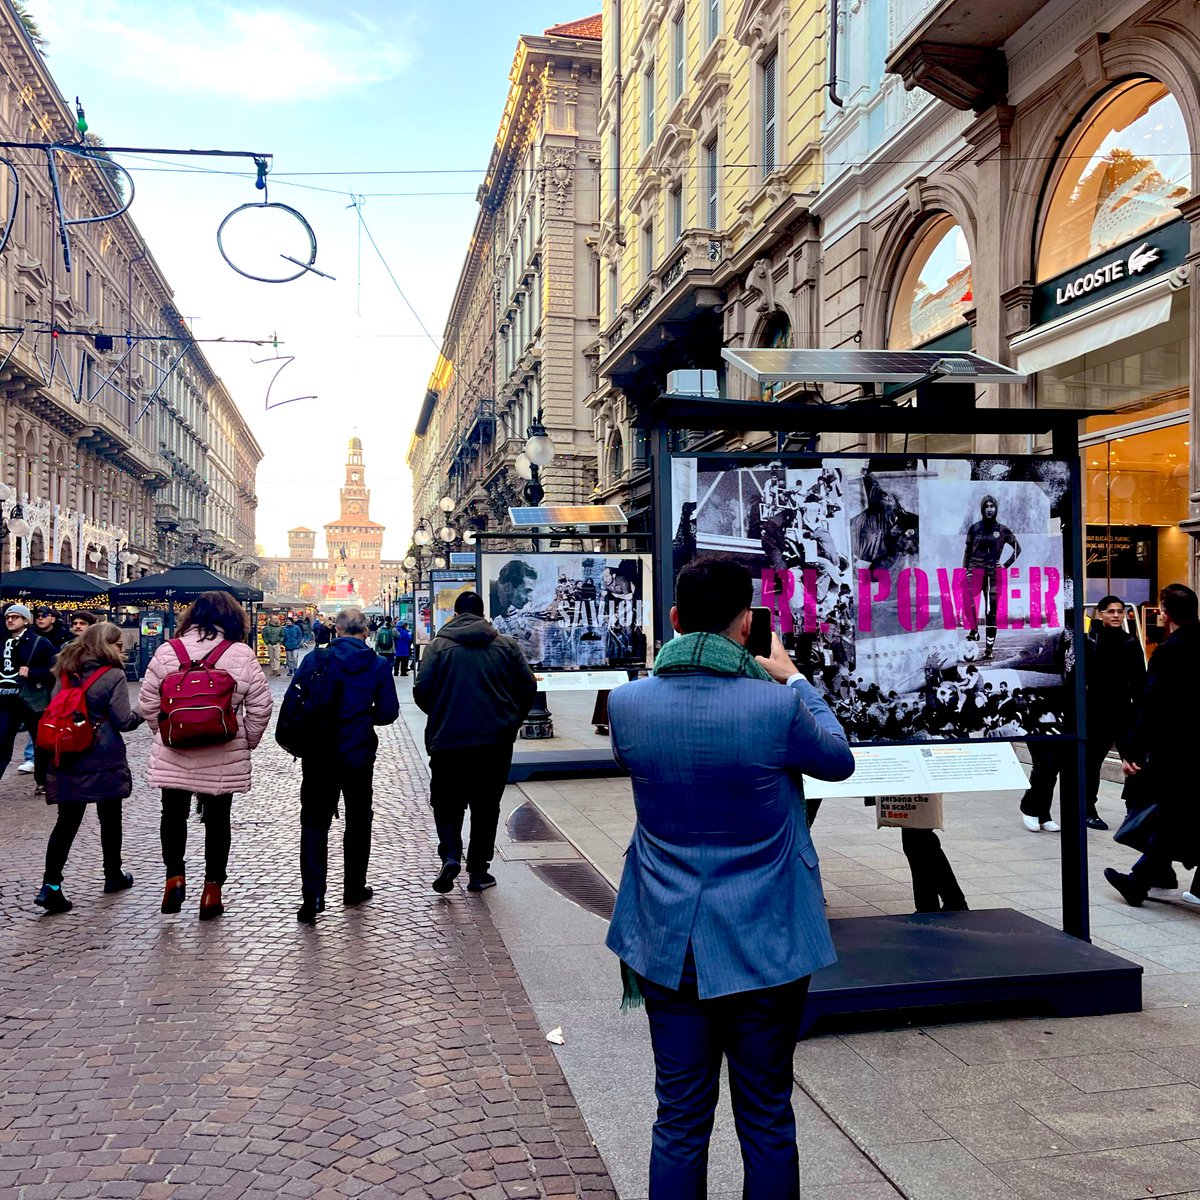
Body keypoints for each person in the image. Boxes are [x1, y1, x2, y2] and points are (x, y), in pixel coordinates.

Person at [605, 556, 854, 1197]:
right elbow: (837, 760)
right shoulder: (774, 707)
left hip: (668, 937)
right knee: (767, 1113)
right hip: (766, 936)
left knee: (680, 1118)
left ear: (675, 621)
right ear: (747, 625)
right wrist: (795, 678)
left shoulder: (629, 706)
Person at [139, 591, 273, 921]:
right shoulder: (241, 654)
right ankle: (212, 891)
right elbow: (260, 707)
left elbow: (147, 703)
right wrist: (245, 740)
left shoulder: (168, 651)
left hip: (175, 750)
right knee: (218, 821)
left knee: (172, 815)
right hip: (222, 750)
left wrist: (167, 733)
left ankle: (174, 878)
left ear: (191, 617)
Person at [413, 591, 536, 895]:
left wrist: (443, 712)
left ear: (454, 615)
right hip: (494, 741)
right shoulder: (506, 645)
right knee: (486, 806)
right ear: (483, 615)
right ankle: (479, 871)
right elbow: (528, 686)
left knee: (446, 802)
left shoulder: (438, 647)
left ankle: (451, 855)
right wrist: (511, 719)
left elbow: (421, 690)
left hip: (448, 741)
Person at [291, 607, 399, 924]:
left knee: (313, 822)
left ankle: (312, 895)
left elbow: (298, 702)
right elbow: (389, 712)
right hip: (357, 753)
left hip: (318, 754)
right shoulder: (377, 665)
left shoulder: (314, 659)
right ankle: (353, 886)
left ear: (337, 630)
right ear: (364, 631)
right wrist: (364, 718)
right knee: (358, 820)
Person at [34, 623, 145, 914]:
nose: (121, 648)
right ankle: (113, 874)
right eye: (118, 643)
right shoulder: (113, 675)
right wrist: (143, 712)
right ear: (108, 645)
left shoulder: (66, 670)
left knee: (66, 822)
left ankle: (51, 885)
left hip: (67, 752)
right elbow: (123, 721)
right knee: (110, 816)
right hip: (102, 754)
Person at [1104, 584, 1200, 907]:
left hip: (1177, 751)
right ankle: (1155, 877)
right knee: (1180, 814)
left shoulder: (1170, 652)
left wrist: (1131, 749)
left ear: (1165, 613)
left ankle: (1142, 880)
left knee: (1170, 813)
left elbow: (1150, 706)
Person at [1082, 595, 1146, 831]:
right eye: (1111, 611)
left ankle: (1135, 810)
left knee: (1133, 763)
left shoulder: (1129, 641)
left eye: (1120, 611)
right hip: (1096, 712)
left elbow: (1140, 681)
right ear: (1100, 614)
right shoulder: (1089, 640)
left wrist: (1141, 713)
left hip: (1123, 711)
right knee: (1092, 763)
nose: (1117, 615)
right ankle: (1088, 809)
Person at [0, 604, 55, 783]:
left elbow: (53, 669)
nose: (10, 620)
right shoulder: (2, 641)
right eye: (8, 617)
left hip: (30, 699)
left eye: (15, 617)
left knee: (40, 742)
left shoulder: (39, 642)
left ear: (25, 620)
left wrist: (32, 673)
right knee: (2, 741)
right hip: (5, 700)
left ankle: (42, 781)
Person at [962, 494, 1021, 659]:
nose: (989, 509)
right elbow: (967, 552)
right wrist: (965, 570)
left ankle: (989, 650)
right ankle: (974, 629)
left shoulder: (1002, 530)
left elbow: (1017, 548)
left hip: (993, 574)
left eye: (992, 506)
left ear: (996, 508)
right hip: (975, 570)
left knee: (991, 611)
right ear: (982, 509)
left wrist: (1005, 564)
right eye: (986, 506)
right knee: (966, 598)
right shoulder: (974, 528)